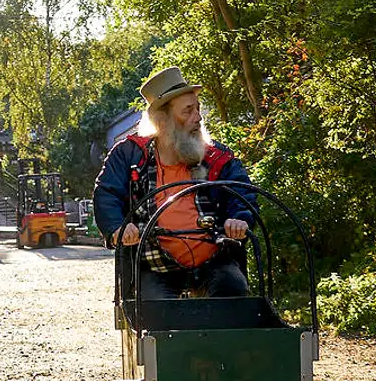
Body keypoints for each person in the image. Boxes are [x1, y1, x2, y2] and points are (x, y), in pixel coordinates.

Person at [92, 66, 259, 299]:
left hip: (214, 262)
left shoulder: (216, 157)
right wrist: (117, 227)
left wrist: (239, 218)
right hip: (155, 268)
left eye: (198, 109)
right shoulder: (129, 154)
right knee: (155, 312)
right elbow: (107, 192)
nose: (198, 118)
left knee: (233, 294)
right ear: (162, 120)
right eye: (188, 111)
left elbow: (241, 192)